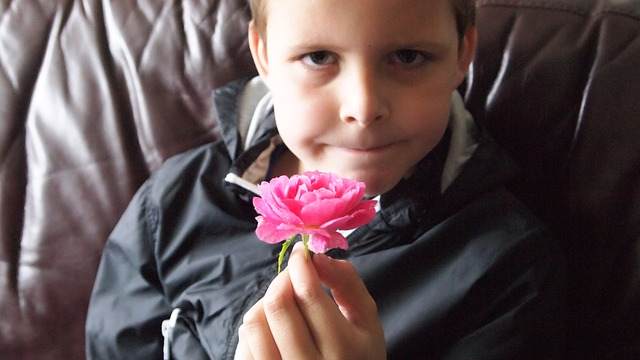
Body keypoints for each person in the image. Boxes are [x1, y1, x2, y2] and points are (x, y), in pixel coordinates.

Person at [85, 0, 566, 359]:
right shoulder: (175, 203)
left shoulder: (506, 266)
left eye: (408, 57)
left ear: (463, 53)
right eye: (318, 57)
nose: (363, 107)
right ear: (265, 54)